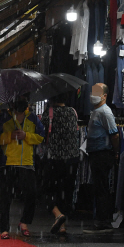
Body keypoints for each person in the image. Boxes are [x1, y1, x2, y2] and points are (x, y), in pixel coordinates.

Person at [0, 94, 45, 239]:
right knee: (5, 197)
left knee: (32, 194)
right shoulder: (3, 118)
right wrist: (10, 136)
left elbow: (41, 136)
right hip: (8, 162)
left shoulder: (33, 118)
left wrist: (26, 135)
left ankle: (24, 222)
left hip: (27, 163)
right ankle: (4, 229)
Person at [40, 92, 80, 235]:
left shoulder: (49, 113)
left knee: (47, 190)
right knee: (66, 191)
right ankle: (63, 225)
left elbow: (42, 134)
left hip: (54, 158)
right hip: (72, 159)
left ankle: (58, 215)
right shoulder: (73, 112)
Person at [83, 83, 120, 234]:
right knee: (99, 187)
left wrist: (115, 152)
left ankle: (103, 221)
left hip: (102, 154)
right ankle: (100, 220)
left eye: (97, 92)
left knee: (102, 188)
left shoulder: (105, 112)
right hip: (95, 153)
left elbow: (115, 134)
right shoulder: (96, 111)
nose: (93, 94)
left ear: (105, 95)